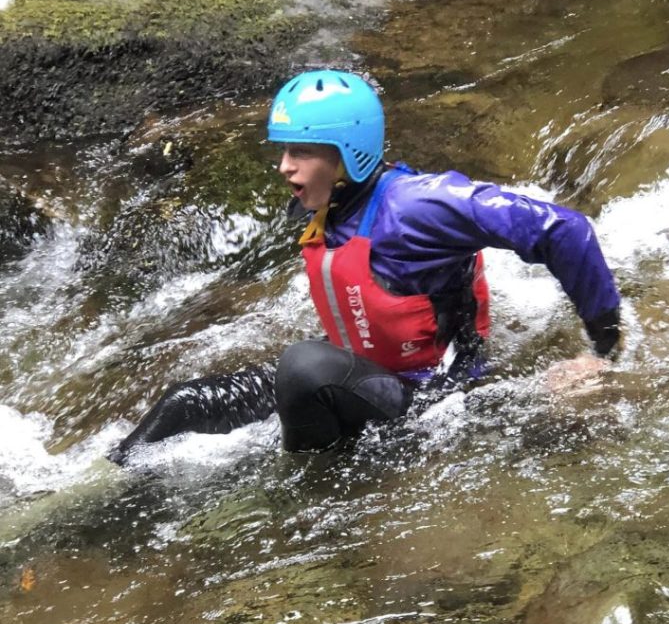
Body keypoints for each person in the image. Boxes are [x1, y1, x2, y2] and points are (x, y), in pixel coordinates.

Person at [110, 69, 620, 464]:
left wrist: (603, 345)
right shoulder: (333, 206)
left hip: (432, 398)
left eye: (302, 152)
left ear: (348, 155)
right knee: (183, 406)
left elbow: (564, 230)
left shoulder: (418, 206)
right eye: (285, 150)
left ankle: (304, 500)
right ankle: (98, 499)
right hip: (365, 378)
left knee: (304, 367)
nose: (284, 166)